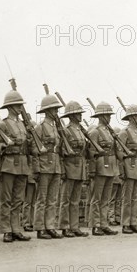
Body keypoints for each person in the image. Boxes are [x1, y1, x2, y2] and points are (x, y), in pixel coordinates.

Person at [0, 90, 35, 243]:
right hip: (9, 164)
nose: (20, 108)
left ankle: (16, 229)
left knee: (18, 199)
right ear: (11, 106)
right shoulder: (3, 124)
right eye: (18, 105)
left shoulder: (23, 125)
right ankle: (6, 230)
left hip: (22, 164)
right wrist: (6, 144)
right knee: (6, 199)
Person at [34, 94, 64, 239]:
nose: (56, 112)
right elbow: (33, 148)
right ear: (47, 111)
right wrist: (37, 168)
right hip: (44, 166)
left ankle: (50, 226)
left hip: (55, 165)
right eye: (54, 110)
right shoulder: (39, 128)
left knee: (52, 199)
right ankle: (40, 228)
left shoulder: (56, 128)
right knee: (42, 199)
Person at [58, 101, 90, 237]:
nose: (80, 115)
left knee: (75, 199)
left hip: (80, 166)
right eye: (77, 113)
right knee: (65, 199)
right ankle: (65, 226)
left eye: (80, 113)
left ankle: (74, 226)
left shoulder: (80, 130)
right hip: (69, 166)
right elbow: (60, 151)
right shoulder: (66, 131)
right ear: (71, 115)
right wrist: (63, 170)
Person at [88, 102, 119, 236]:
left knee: (105, 198)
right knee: (97, 197)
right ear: (101, 116)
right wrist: (93, 170)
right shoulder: (95, 132)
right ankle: (96, 225)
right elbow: (91, 153)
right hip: (100, 165)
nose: (109, 117)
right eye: (107, 115)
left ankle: (104, 223)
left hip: (110, 165)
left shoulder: (109, 132)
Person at [118, 105, 137, 234]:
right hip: (128, 165)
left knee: (135, 197)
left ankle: (133, 222)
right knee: (127, 197)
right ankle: (125, 224)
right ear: (132, 117)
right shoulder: (124, 132)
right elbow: (118, 152)